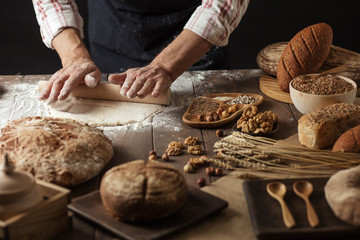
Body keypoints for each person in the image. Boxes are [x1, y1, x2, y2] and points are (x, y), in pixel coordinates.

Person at [32, 0, 249, 101]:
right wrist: (74, 56)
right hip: (114, 27)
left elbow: (226, 2)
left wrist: (165, 66)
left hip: (193, 40)